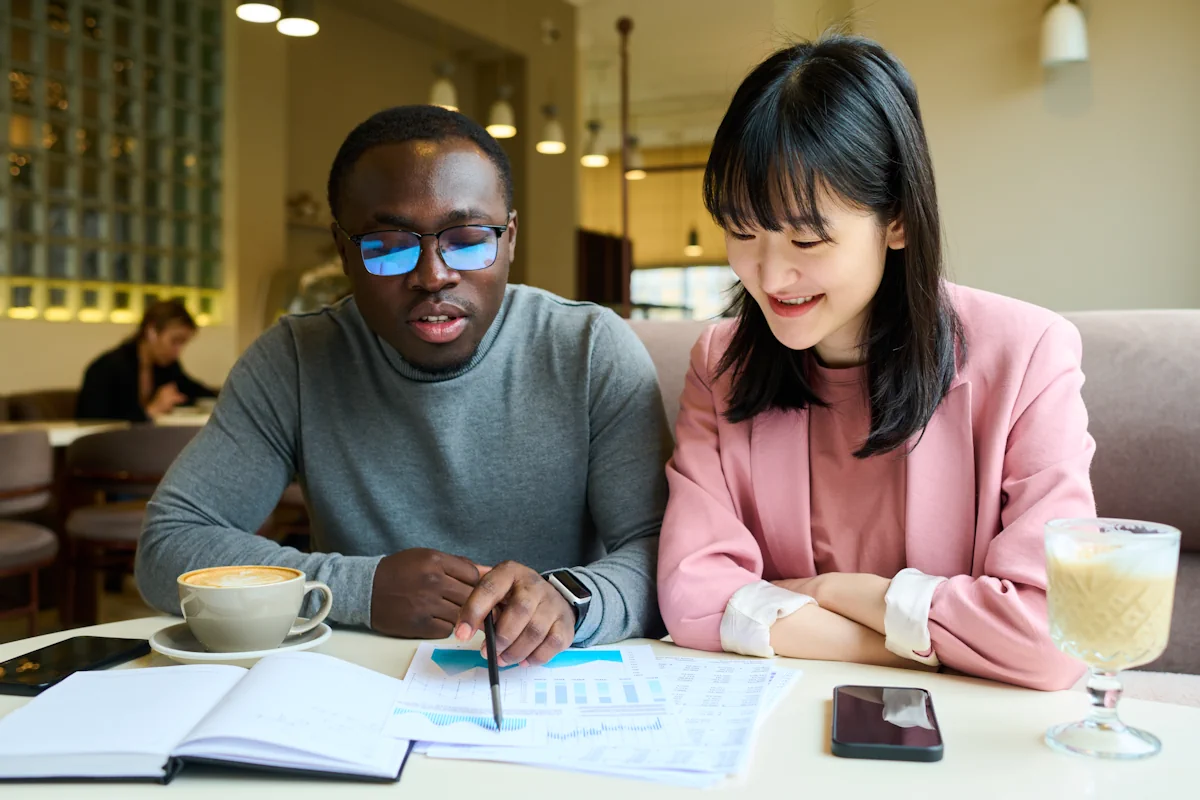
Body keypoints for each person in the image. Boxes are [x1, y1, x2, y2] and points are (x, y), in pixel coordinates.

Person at [136, 106, 670, 665]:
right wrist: (358, 589)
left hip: (544, 679)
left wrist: (567, 599)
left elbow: (663, 555)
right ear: (344, 251)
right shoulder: (295, 360)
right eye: (388, 246)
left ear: (509, 239)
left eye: (467, 239)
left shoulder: (586, 348)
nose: (433, 275)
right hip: (352, 685)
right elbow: (168, 544)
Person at [657, 35, 1095, 691]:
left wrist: (832, 591)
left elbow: (1051, 633)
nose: (771, 273)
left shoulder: (1029, 356)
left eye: (808, 237)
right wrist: (923, 642)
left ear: (897, 220)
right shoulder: (721, 365)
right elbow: (693, 598)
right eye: (743, 232)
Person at [76, 299, 216, 422]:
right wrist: (150, 412)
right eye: (175, 341)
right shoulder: (105, 369)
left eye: (183, 343)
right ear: (152, 332)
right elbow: (93, 423)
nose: (178, 350)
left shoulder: (168, 367)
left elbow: (194, 390)